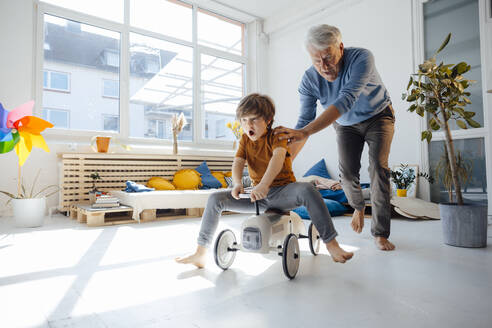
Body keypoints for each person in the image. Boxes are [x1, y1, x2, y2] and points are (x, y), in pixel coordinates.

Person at [176, 93, 353, 268]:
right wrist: (237, 183)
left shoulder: (277, 135)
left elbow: (277, 159)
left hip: (283, 193)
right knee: (215, 199)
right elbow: (238, 162)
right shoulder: (245, 139)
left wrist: (264, 184)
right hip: (258, 198)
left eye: (253, 119)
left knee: (307, 189)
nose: (248, 125)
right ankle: (200, 252)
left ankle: (332, 244)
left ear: (268, 120)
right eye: (244, 120)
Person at [275, 24, 396, 251]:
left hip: (378, 116)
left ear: (340, 47)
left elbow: (345, 99)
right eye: (316, 61)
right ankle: (358, 207)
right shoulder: (309, 80)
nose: (324, 67)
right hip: (345, 125)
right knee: (348, 174)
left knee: (378, 167)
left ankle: (380, 233)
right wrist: (281, 163)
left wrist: (306, 131)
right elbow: (303, 123)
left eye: (328, 58)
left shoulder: (362, 57)